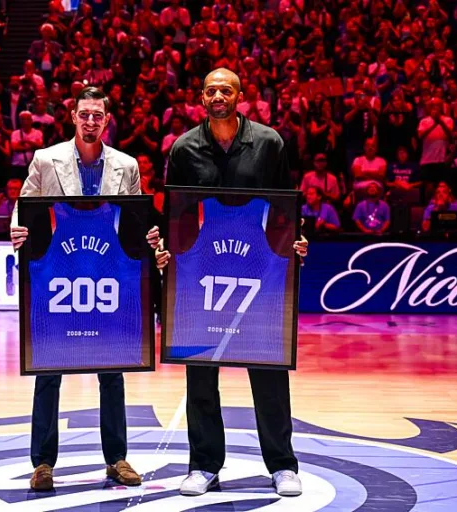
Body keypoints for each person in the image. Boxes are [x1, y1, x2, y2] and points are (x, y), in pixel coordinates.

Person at [156, 68, 309, 498]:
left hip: (257, 272)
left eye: (226, 89)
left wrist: (294, 241)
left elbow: (284, 207)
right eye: (211, 90)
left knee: (269, 370)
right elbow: (177, 213)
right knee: (201, 374)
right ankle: (204, 465)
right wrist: (168, 251)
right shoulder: (184, 148)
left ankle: (282, 465)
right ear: (201, 98)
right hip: (202, 274)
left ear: (240, 96)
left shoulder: (269, 143)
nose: (218, 96)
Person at [9, 87, 161, 492]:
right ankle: (43, 463)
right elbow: (23, 204)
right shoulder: (46, 159)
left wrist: (150, 240)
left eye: (97, 115)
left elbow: (134, 221)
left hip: (106, 277)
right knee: (48, 370)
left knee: (112, 370)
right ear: (73, 117)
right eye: (84, 114)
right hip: (60, 276)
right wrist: (16, 229)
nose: (90, 121)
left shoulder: (126, 165)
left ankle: (117, 458)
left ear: (106, 120)